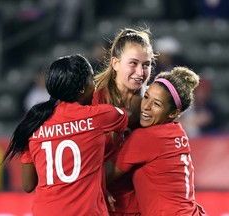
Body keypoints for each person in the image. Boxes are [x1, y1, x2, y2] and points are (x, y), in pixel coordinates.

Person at [2, 54, 129, 216]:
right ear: (82, 87)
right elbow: (128, 115)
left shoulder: (34, 123)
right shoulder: (97, 117)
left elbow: (28, 185)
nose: (94, 86)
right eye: (92, 79)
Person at [106, 66, 206, 215]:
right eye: (146, 97)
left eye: (157, 104)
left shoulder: (147, 137)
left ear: (173, 113)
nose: (146, 107)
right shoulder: (176, 132)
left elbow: (102, 175)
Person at [92, 27, 156, 215]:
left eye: (147, 64)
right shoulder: (94, 100)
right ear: (115, 63)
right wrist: (98, 186)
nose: (140, 72)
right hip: (101, 203)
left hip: (139, 205)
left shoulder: (155, 105)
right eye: (133, 63)